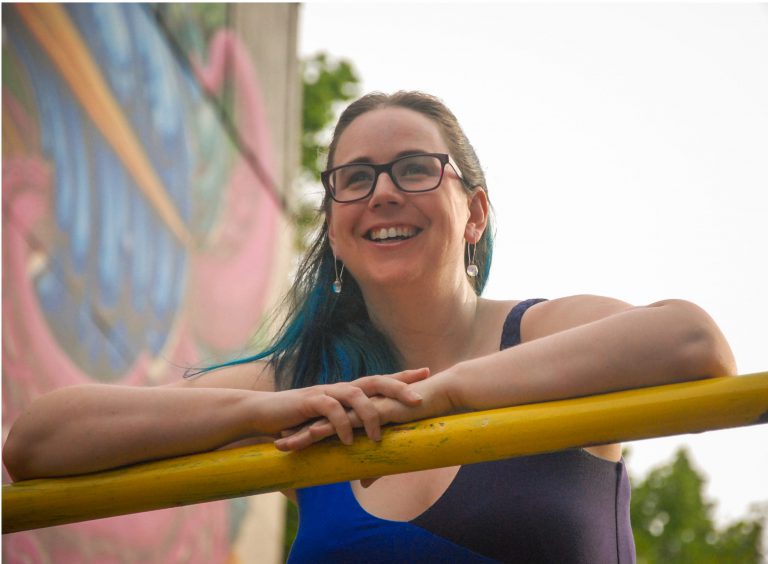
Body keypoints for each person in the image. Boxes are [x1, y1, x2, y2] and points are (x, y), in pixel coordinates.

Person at [4, 91, 736, 563]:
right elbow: (38, 443)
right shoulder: (308, 387)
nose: (382, 192)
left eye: (415, 169)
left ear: (474, 212)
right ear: (334, 221)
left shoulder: (539, 334)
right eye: (354, 179)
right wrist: (264, 408)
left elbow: (692, 344)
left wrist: (445, 396)